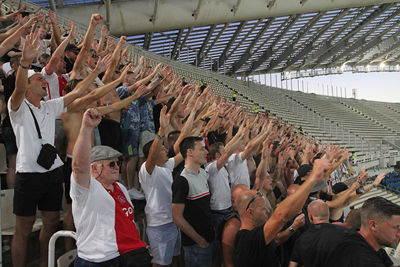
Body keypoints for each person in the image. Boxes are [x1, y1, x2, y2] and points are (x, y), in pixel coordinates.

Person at [8, 30, 89, 267]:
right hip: (28, 175)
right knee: (23, 228)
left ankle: (46, 264)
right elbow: (18, 90)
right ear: (27, 86)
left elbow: (78, 93)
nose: (44, 82)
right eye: (39, 80)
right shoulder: (18, 108)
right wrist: (25, 62)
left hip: (51, 172)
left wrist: (96, 72)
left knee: (52, 222)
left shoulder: (49, 106)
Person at [71, 108, 151, 266]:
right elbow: (79, 167)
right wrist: (87, 128)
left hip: (129, 254)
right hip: (100, 260)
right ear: (93, 168)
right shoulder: (87, 189)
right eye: (111, 163)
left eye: (118, 163)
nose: (117, 167)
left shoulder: (120, 187)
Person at [233, 158, 331, 267]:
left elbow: (276, 240)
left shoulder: (255, 237)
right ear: (250, 212)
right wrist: (313, 178)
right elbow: (280, 216)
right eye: (262, 209)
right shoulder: (247, 240)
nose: (267, 211)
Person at [138, 106, 184, 266]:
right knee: (160, 263)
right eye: (162, 148)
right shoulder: (147, 170)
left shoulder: (167, 166)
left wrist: (198, 129)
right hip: (159, 226)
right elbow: (152, 154)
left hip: (173, 222)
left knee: (176, 258)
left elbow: (184, 152)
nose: (166, 150)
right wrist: (162, 129)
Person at [172, 136, 214, 267]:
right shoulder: (181, 179)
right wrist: (200, 240)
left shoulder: (202, 172)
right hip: (196, 245)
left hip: (209, 239)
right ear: (189, 152)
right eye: (202, 149)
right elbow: (177, 217)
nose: (207, 152)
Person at [328, 196, 400, 267]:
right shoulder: (361, 258)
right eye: (396, 227)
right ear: (373, 226)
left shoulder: (366, 242)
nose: (399, 234)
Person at [289, 200, 351, 267]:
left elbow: (292, 265)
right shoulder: (346, 233)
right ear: (329, 214)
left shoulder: (302, 240)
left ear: (310, 216)